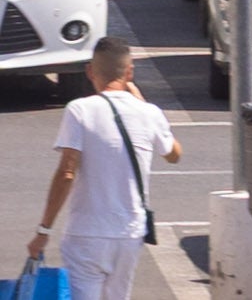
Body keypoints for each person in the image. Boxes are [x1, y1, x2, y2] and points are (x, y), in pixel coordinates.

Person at [28, 35, 178, 300]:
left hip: (86, 234)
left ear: (90, 71)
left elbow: (67, 173)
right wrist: (142, 104)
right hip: (129, 233)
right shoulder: (149, 112)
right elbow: (174, 154)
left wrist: (44, 230)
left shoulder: (80, 110)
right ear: (129, 72)